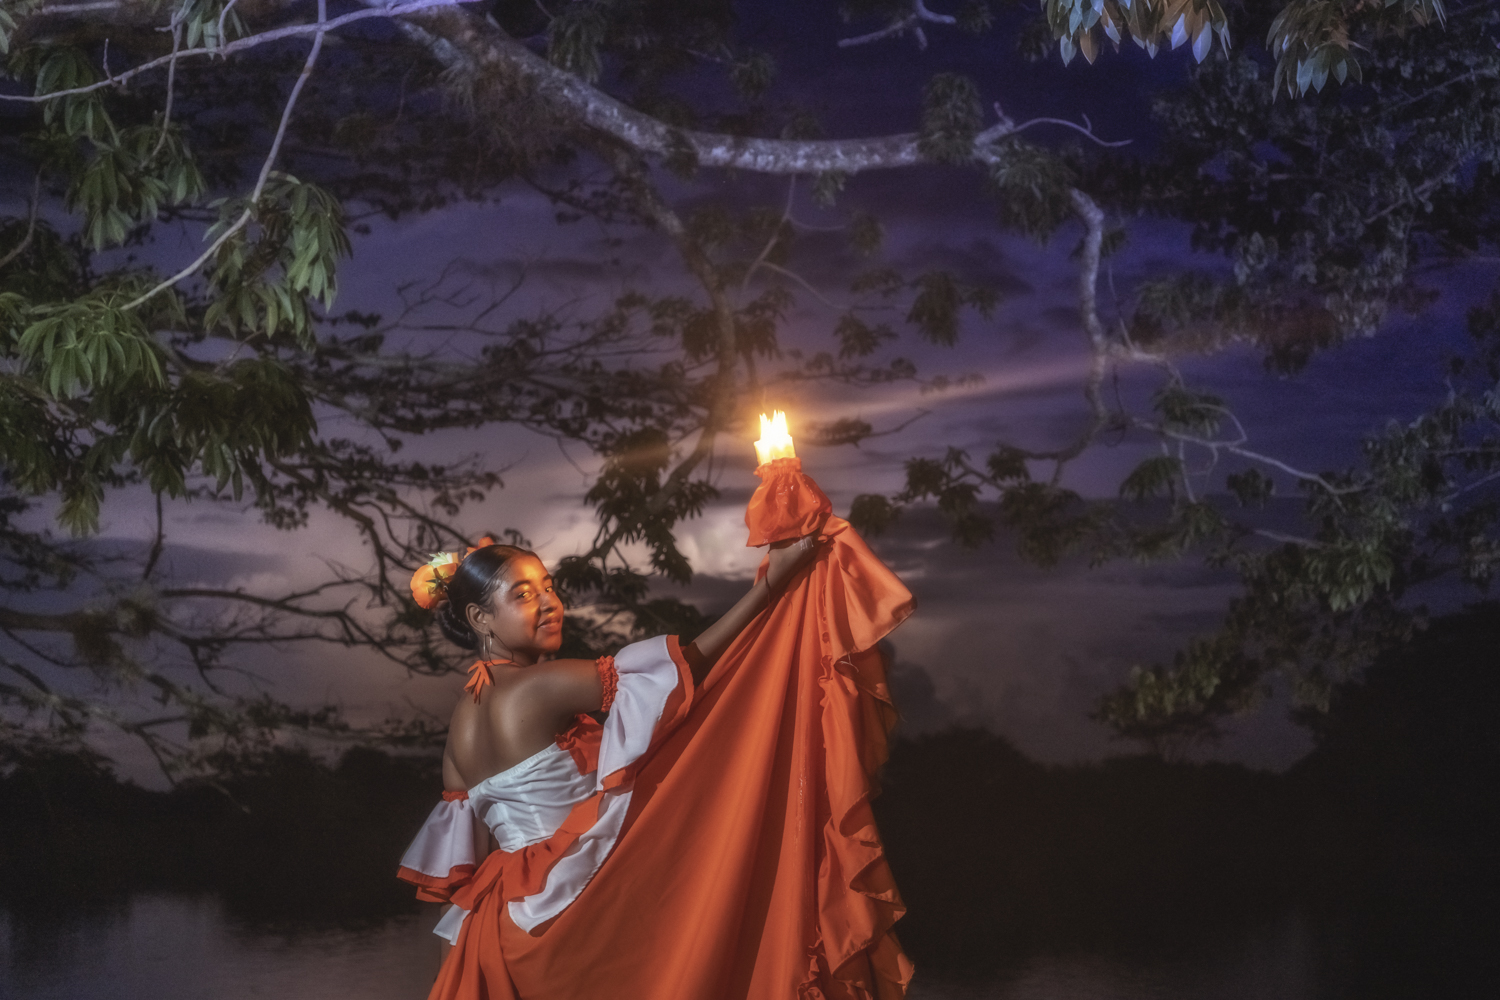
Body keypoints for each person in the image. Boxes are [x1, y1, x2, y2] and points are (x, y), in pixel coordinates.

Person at [399, 498, 915, 999]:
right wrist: (770, 585)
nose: (551, 603)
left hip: (499, 926)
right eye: (524, 594)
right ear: (480, 618)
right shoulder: (537, 687)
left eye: (549, 587)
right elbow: (685, 668)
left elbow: (461, 870)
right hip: (568, 909)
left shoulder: (460, 727)